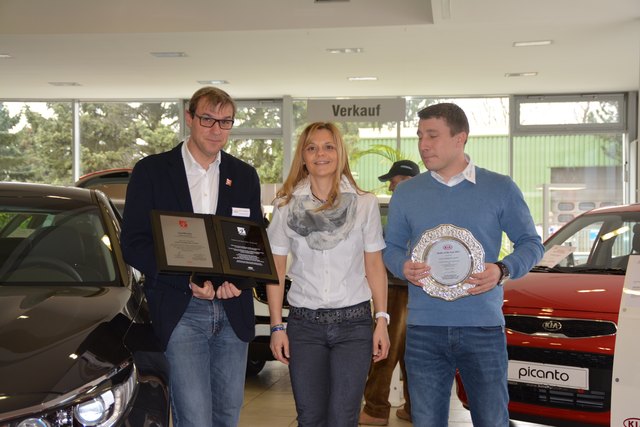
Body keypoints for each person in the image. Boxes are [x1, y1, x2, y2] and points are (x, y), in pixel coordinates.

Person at [383, 103, 544, 427]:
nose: (423, 145)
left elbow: (531, 243)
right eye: (420, 136)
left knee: (492, 420)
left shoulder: (500, 187)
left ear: (460, 138)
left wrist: (502, 269)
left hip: (482, 327)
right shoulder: (407, 193)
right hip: (424, 329)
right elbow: (391, 248)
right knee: (426, 421)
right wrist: (402, 266)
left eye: (432, 135)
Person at [121, 86, 263, 427]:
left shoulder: (244, 176)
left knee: (227, 415)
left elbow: (252, 242)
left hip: (233, 310)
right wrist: (185, 280)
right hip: (181, 310)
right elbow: (134, 243)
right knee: (195, 418)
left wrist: (239, 280)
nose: (216, 130)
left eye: (226, 122)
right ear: (189, 117)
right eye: (208, 119)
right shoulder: (152, 171)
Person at [266, 122, 391, 427]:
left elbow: (374, 265)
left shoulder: (364, 203)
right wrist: (276, 326)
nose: (320, 154)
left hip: (354, 325)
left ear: (340, 153)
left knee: (342, 418)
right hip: (304, 325)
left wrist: (382, 320)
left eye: (328, 147)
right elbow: (276, 270)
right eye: (312, 148)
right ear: (303, 157)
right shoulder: (285, 206)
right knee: (310, 418)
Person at [359, 159, 420, 426]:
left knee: (385, 348)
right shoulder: (420, 206)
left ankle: (375, 409)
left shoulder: (406, 206)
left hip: (396, 287)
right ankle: (414, 408)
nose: (392, 189)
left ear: (409, 181)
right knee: (411, 352)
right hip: (416, 290)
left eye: (396, 183)